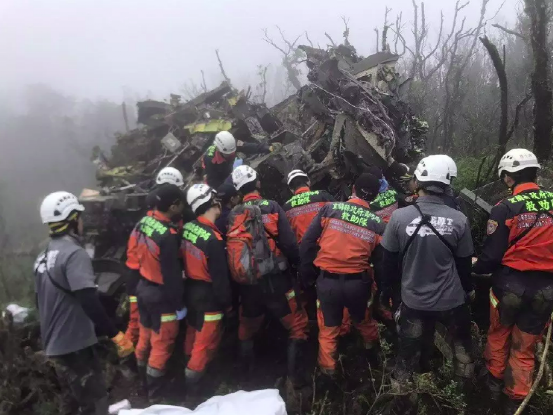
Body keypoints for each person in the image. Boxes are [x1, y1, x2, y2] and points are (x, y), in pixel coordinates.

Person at [34, 191, 134, 415]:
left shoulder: (42, 256)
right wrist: (114, 333)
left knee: (71, 401)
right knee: (95, 402)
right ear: (71, 221)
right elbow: (88, 299)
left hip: (55, 344)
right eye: (78, 217)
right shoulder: (73, 254)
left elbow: (39, 301)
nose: (82, 222)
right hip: (75, 346)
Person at [379, 156, 475, 388]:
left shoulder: (399, 218)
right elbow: (464, 265)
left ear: (418, 182)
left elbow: (387, 263)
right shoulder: (460, 219)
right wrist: (469, 292)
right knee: (461, 344)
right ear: (447, 184)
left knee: (407, 352)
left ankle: (403, 392)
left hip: (413, 301)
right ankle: (464, 391)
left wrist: (386, 293)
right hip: (451, 301)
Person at [473, 149, 553, 414]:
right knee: (524, 347)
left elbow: (491, 257)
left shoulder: (504, 208)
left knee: (498, 336)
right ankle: (514, 402)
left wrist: (475, 266)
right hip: (546, 288)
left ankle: (491, 393)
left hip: (510, 285)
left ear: (508, 178)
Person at [230, 165, 309, 386]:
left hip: (248, 285)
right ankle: (296, 381)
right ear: (258, 183)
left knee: (247, 327)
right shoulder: (272, 206)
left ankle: (244, 378)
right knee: (297, 325)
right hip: (276, 282)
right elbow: (290, 244)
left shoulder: (233, 214)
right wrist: (298, 269)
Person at [300, 174, 386, 375]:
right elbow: (381, 262)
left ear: (353, 188)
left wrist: (307, 276)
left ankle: (328, 375)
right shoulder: (377, 223)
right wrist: (382, 291)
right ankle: (373, 364)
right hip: (358, 284)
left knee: (329, 329)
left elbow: (306, 244)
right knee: (364, 321)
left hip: (327, 282)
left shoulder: (330, 209)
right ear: (374, 197)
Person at [132, 184, 187, 402]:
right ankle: (156, 396)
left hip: (142, 287)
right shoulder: (168, 236)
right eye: (181, 205)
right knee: (162, 345)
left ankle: (142, 383)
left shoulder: (144, 222)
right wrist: (179, 305)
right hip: (161, 296)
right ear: (173, 206)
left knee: (144, 338)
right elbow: (172, 277)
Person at [125, 166, 187, 345]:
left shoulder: (148, 213)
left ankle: (132, 353)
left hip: (137, 273)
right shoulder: (162, 222)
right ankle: (129, 352)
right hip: (145, 275)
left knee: (140, 320)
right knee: (143, 323)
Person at [182, 184, 232, 394]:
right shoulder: (213, 240)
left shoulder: (187, 228)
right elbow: (220, 279)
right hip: (209, 297)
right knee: (204, 343)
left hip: (190, 292)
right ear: (210, 202)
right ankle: (194, 391)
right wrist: (228, 305)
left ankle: (185, 370)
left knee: (192, 335)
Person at [201, 131, 273, 189]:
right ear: (219, 149)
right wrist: (233, 180)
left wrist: (268, 148)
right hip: (221, 177)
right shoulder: (210, 160)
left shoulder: (230, 144)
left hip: (230, 166)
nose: (232, 153)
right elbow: (216, 185)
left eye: (233, 151)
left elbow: (248, 146)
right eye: (228, 153)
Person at [282, 169, 335, 244]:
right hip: (329, 244)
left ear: (291, 189)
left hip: (306, 251)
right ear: (308, 182)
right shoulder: (322, 195)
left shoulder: (286, 207)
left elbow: (287, 235)